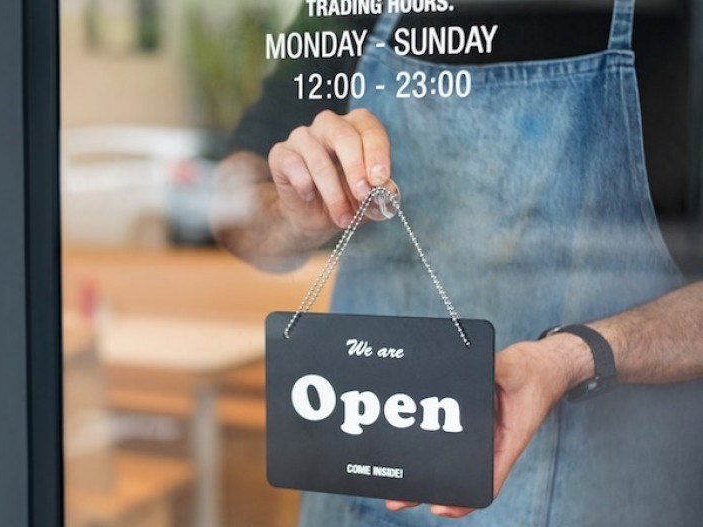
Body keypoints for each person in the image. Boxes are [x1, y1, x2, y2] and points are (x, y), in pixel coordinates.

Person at [211, 1, 703, 525]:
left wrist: (575, 357)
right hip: (360, 497)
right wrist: (292, 217)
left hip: (599, 500)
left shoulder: (672, 18)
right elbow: (229, 208)